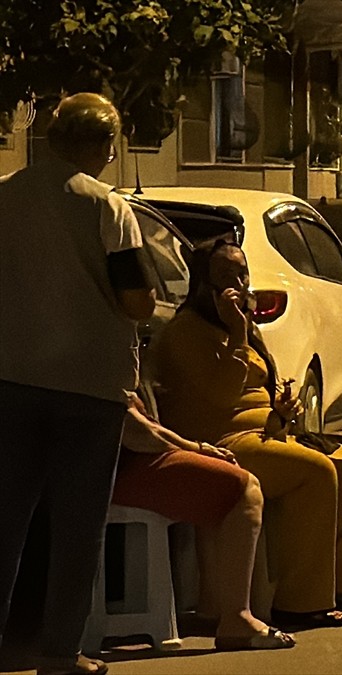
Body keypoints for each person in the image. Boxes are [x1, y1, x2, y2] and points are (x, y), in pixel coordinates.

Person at [0, 93, 156, 675]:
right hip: (88, 387)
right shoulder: (108, 208)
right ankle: (60, 654)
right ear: (102, 144)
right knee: (77, 527)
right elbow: (137, 300)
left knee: (5, 521)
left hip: (11, 378)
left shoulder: (4, 197)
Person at [152, 240, 342, 631]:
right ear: (203, 285)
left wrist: (282, 408)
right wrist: (238, 332)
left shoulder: (243, 329)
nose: (238, 284)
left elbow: (260, 386)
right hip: (221, 443)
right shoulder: (187, 332)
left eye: (243, 273)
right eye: (226, 277)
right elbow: (222, 395)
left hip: (266, 433)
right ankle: (300, 602)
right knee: (316, 471)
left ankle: (339, 586)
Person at [116, 394, 294, 650]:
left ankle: (213, 604)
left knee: (226, 476)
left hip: (121, 457)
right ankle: (236, 617)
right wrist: (195, 448)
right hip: (118, 464)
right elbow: (134, 430)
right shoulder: (100, 357)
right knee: (241, 486)